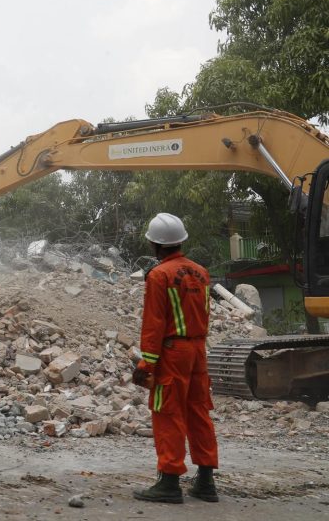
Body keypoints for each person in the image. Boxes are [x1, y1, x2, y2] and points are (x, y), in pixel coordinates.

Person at [132, 213, 219, 504]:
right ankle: (206, 482)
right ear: (180, 240)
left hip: (173, 352)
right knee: (198, 411)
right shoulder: (201, 273)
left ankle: (169, 482)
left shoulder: (159, 275)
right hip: (198, 350)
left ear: (155, 245)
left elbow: (154, 324)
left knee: (167, 412)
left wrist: (147, 364)